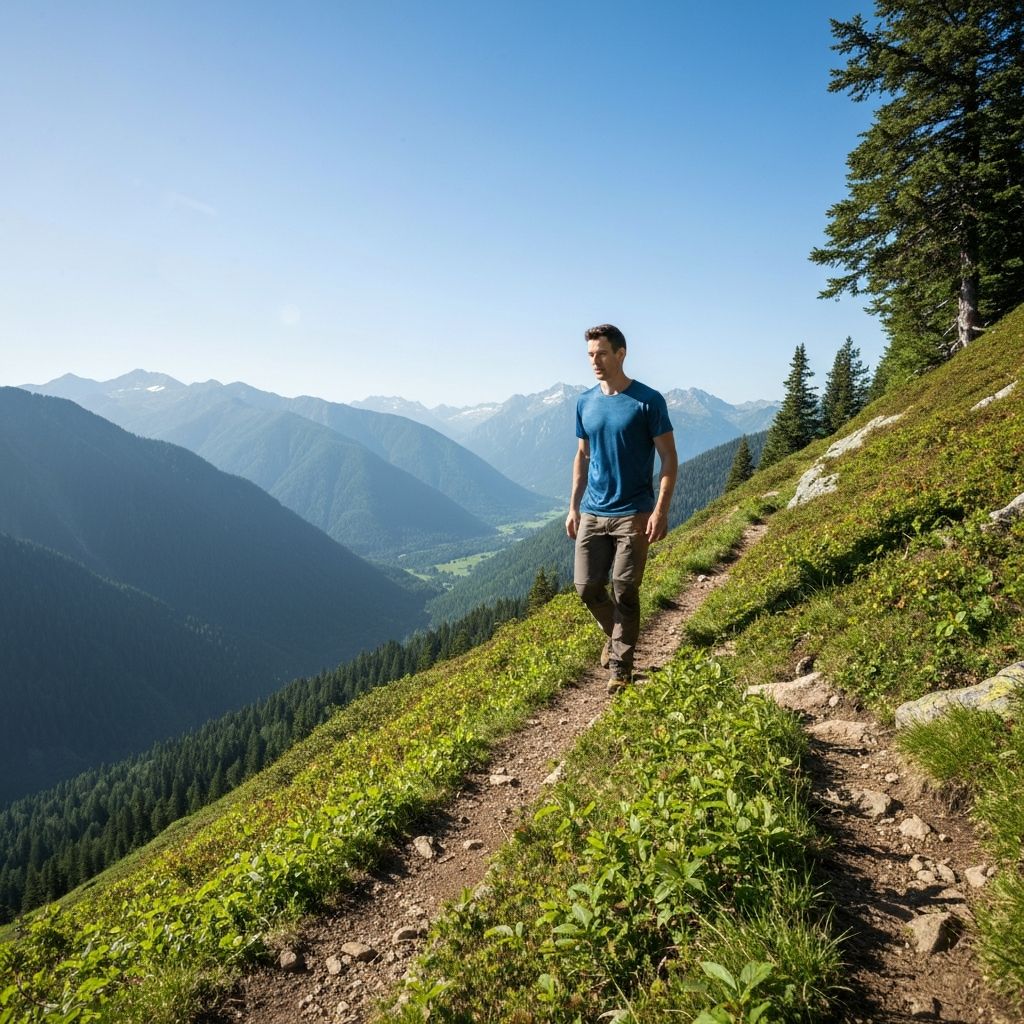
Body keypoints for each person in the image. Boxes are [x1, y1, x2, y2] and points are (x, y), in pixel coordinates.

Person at [565, 324, 678, 693]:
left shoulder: (647, 401)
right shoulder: (584, 402)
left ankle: (621, 669)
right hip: (594, 511)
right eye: (590, 355)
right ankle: (616, 635)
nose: (594, 361)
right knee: (586, 587)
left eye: (601, 353)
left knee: (625, 588)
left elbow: (668, 458)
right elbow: (582, 456)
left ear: (621, 353)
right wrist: (573, 507)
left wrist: (660, 510)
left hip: (634, 511)